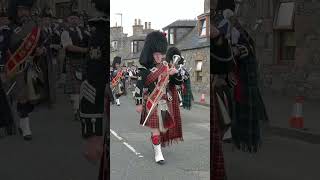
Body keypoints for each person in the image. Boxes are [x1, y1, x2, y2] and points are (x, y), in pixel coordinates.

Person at [135, 31, 183, 164]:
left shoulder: (166, 66)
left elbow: (177, 83)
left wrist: (175, 73)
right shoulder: (144, 70)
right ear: (150, 53)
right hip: (152, 102)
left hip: (164, 102)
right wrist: (138, 103)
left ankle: (156, 143)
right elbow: (139, 86)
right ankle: (158, 153)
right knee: (155, 128)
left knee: (163, 128)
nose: (160, 57)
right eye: (157, 54)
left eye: (162, 54)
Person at [3, 0, 48, 140]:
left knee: (31, 98)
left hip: (32, 66)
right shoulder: (8, 29)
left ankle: (22, 123)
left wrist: (41, 49)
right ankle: (23, 125)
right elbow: (3, 50)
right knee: (19, 97)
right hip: (14, 68)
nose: (24, 13)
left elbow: (43, 43)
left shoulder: (34, 27)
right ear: (15, 11)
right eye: (21, 9)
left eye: (26, 10)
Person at [61, 10, 89, 120]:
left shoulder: (83, 31)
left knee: (83, 86)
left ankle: (80, 107)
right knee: (76, 88)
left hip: (84, 62)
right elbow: (68, 47)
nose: (74, 20)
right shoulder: (65, 32)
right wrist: (85, 50)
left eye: (76, 18)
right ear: (68, 20)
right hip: (72, 61)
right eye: (72, 18)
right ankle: (76, 109)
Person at [0, 9, 15, 137]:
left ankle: (9, 124)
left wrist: (8, 69)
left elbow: (11, 52)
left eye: (5, 19)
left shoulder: (9, 33)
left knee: (5, 97)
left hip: (3, 67)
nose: (4, 20)